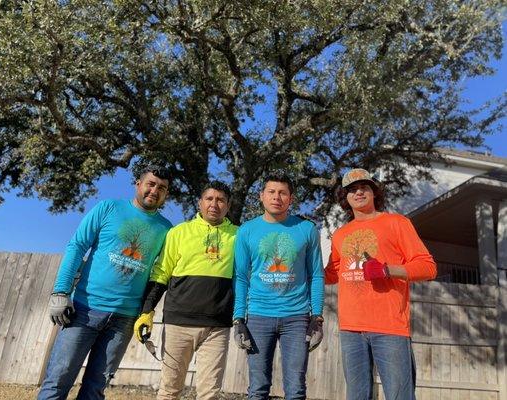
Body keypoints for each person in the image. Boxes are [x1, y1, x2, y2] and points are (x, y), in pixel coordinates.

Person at [37, 164, 173, 400]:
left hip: (124, 318)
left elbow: (160, 273)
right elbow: (77, 246)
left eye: (161, 187)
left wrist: (146, 312)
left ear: (166, 194)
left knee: (96, 388)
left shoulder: (166, 229)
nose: (155, 190)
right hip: (84, 309)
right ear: (138, 184)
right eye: (150, 184)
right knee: (58, 380)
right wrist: (60, 291)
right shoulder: (108, 208)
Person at [325, 168, 437, 400]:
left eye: (364, 187)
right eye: (352, 190)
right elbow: (332, 273)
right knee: (357, 396)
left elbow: (428, 267)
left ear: (374, 192)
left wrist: (388, 270)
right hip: (350, 328)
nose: (358, 193)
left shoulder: (397, 223)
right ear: (345, 198)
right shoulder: (340, 234)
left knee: (399, 395)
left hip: (390, 326)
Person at [134, 180, 238, 400]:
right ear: (200, 202)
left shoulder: (239, 236)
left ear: (228, 206)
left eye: (221, 200)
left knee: (209, 394)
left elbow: (246, 279)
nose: (214, 204)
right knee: (170, 390)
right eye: (209, 198)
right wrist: (147, 311)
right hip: (177, 323)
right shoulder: (178, 232)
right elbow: (161, 273)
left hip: (217, 327)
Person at [232, 171, 325, 400]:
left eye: (283, 193)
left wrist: (317, 316)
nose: (277, 197)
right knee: (257, 388)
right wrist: (238, 318)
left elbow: (316, 275)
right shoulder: (246, 231)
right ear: (261, 196)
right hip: (258, 316)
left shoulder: (306, 230)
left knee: (295, 389)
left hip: (297, 317)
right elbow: (241, 277)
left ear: (291, 198)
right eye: (271, 192)